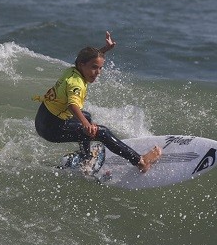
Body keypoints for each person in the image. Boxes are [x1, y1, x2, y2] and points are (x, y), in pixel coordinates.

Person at [33, 31, 162, 173]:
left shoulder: (74, 69)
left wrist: (105, 49)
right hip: (51, 129)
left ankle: (85, 157)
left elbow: (89, 59)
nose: (98, 72)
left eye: (100, 68)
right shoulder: (76, 84)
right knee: (102, 132)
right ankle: (141, 162)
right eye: (94, 68)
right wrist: (87, 126)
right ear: (82, 65)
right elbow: (72, 105)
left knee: (86, 116)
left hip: (43, 118)